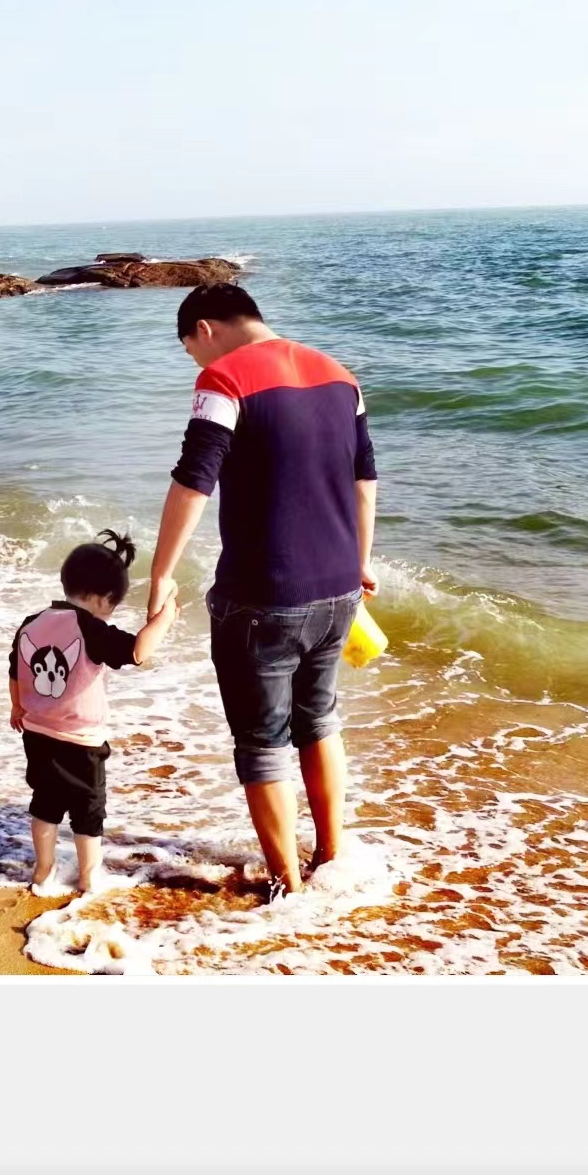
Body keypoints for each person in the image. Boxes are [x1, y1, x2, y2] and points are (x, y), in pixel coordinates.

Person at [147, 284, 378, 898]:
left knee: (262, 742)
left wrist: (162, 575)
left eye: (190, 349)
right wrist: (360, 562)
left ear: (204, 328)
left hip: (262, 597)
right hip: (340, 591)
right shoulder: (341, 376)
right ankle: (330, 857)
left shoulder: (223, 379)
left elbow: (194, 481)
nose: (196, 361)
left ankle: (288, 888)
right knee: (319, 722)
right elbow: (365, 480)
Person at [9, 529, 177, 897]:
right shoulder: (90, 629)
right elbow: (138, 652)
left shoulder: (32, 622)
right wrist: (164, 619)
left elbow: (15, 670)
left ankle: (43, 870)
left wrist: (17, 706)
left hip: (36, 735)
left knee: (45, 804)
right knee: (88, 813)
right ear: (102, 599)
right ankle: (87, 878)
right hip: (82, 741)